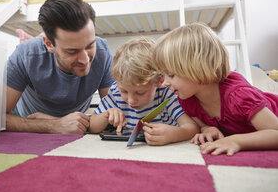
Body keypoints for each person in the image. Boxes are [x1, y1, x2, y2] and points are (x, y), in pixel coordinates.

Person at [153, 22, 278, 155]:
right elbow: (202, 125)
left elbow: (275, 133)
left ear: (198, 67)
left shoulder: (238, 96)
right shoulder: (188, 99)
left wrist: (236, 141)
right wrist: (208, 129)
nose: (165, 82)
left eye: (171, 75)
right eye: (163, 75)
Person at [6, 0, 115, 134]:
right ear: (49, 44)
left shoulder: (103, 53)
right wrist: (54, 125)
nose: (84, 60)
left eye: (89, 46)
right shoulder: (25, 56)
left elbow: (115, 113)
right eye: (72, 51)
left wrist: (67, 123)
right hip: (28, 121)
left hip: (77, 124)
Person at [89, 37, 199, 146]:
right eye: (124, 91)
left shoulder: (166, 93)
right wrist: (106, 115)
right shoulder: (115, 91)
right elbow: (92, 126)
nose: (131, 100)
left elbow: (192, 128)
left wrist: (172, 134)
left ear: (159, 81)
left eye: (140, 92)